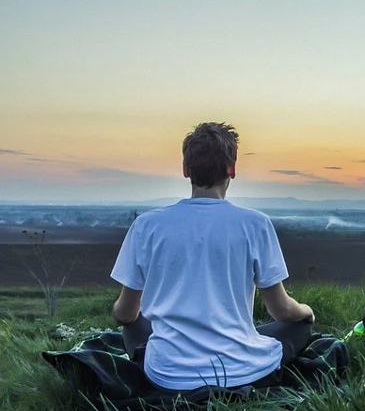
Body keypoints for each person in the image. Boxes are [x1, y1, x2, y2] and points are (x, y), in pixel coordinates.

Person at [110, 121, 315, 391]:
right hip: (242, 371)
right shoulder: (255, 224)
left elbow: (124, 314)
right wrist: (307, 312)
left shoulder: (146, 226)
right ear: (232, 169)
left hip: (167, 376)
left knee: (135, 323)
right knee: (298, 326)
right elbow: (280, 310)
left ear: (186, 170)